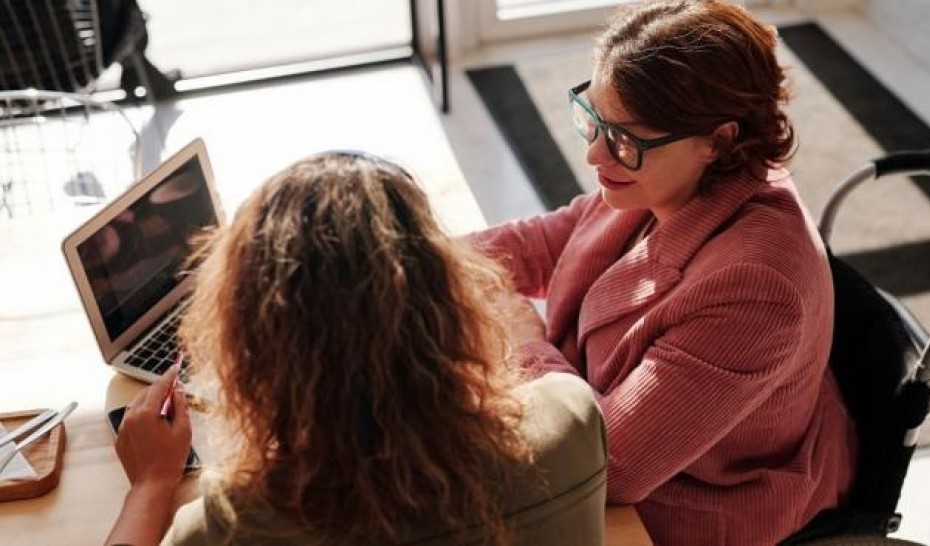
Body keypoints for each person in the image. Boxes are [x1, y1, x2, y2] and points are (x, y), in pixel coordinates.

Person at [468, 1, 858, 544]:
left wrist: (522, 339)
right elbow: (540, 243)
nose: (595, 156)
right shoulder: (653, 173)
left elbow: (610, 469)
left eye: (623, 139)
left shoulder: (756, 286)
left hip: (687, 507)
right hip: (605, 442)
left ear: (718, 140)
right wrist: (408, 260)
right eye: (593, 119)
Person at [104, 151, 608, 546]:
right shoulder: (571, 421)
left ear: (254, 344)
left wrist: (150, 485)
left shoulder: (232, 525)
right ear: (454, 298)